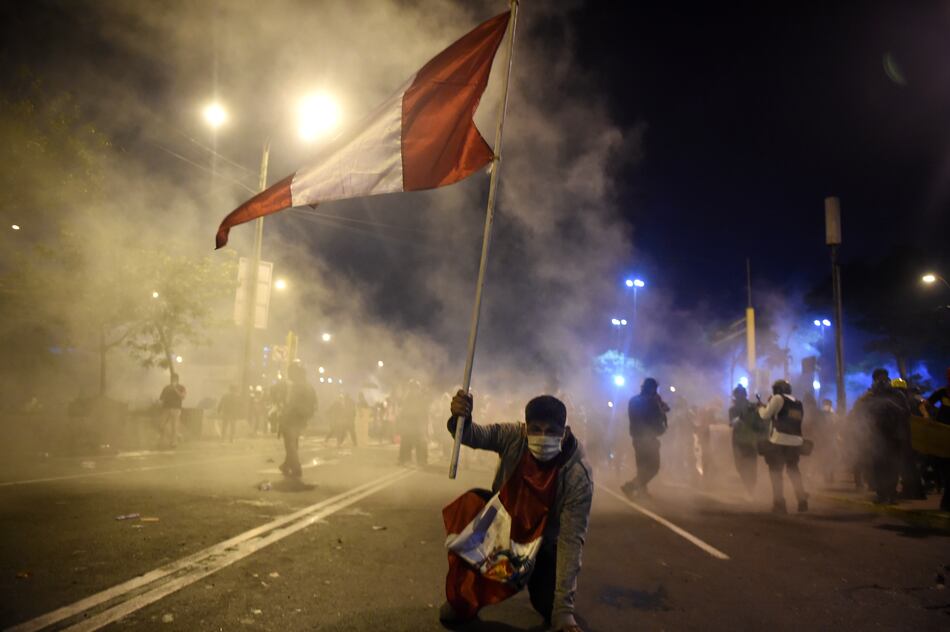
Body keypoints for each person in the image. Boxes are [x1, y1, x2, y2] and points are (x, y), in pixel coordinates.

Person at [440, 390, 592, 632]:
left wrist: (564, 611)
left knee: (549, 607)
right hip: (502, 531)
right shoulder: (512, 437)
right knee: (474, 502)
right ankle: (465, 598)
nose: (543, 437)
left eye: (552, 431)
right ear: (525, 428)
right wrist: (461, 417)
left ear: (564, 433)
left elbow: (571, 541)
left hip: (543, 544)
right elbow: (472, 435)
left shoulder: (576, 475)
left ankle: (543, 593)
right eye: (536, 429)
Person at [850, 369, 908, 504]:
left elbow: (906, 413)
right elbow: (858, 414)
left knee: (887, 466)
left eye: (883, 378)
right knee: (884, 466)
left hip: (888, 436)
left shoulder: (893, 395)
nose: (882, 381)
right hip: (884, 437)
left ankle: (888, 494)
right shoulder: (873, 396)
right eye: (880, 378)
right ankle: (886, 494)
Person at [757, 379, 808, 513]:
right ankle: (802, 500)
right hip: (796, 442)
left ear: (777, 390)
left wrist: (760, 407)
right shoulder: (798, 403)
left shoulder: (777, 398)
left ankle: (779, 504)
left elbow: (765, 415)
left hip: (779, 441)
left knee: (775, 472)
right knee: (794, 471)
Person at [621, 377, 669, 499]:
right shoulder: (651, 401)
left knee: (642, 466)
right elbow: (663, 411)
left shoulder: (633, 400)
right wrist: (658, 403)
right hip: (648, 438)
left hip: (637, 437)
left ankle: (642, 491)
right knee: (653, 467)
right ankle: (630, 486)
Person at [277, 363, 316, 479]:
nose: (288, 374)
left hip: (292, 418)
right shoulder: (309, 386)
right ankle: (287, 464)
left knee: (290, 444)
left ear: (296, 373)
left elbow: (292, 404)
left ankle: (296, 468)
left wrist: (283, 416)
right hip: (302, 418)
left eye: (290, 372)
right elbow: (314, 403)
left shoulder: (297, 386)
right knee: (293, 442)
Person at [728, 384, 764, 496]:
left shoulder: (749, 407)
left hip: (742, 441)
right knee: (746, 466)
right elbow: (733, 423)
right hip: (747, 441)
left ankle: (750, 489)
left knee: (744, 466)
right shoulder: (736, 409)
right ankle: (750, 489)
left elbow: (733, 423)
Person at [926, 368, 950, 511]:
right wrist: (927, 417)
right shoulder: (941, 393)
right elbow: (924, 405)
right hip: (942, 438)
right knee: (946, 471)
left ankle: (946, 503)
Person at [397, 380, 429, 466]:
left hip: (418, 425)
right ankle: (404, 459)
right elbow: (403, 411)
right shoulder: (407, 398)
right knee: (405, 442)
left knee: (420, 442)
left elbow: (425, 412)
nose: (413, 390)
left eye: (415, 388)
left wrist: (425, 425)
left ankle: (421, 460)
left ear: (418, 389)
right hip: (409, 424)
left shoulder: (421, 399)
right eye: (411, 388)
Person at [158, 373, 186, 449]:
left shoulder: (181, 387)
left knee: (174, 426)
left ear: (177, 380)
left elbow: (183, 396)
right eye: (172, 379)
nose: (173, 380)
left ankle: (174, 442)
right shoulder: (166, 388)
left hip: (176, 409)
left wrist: (175, 389)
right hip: (166, 408)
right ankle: (177, 436)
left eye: (174, 379)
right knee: (161, 425)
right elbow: (161, 398)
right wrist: (160, 404)